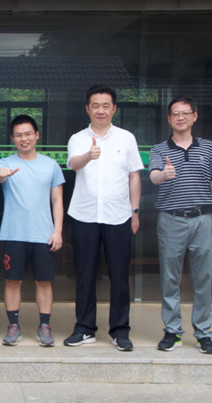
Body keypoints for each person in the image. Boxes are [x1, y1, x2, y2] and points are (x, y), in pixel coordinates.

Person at [63, 85, 143, 352]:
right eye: (95, 105)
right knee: (85, 275)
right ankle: (85, 328)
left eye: (105, 105)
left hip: (118, 215)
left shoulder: (126, 138)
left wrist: (134, 211)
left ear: (114, 109)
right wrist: (89, 155)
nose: (100, 110)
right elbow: (73, 164)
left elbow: (134, 176)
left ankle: (120, 331)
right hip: (85, 215)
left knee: (119, 276)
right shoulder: (78, 138)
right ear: (87, 109)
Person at [149, 96, 212, 355]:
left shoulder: (208, 147)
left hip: (202, 219)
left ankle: (203, 333)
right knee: (170, 277)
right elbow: (153, 176)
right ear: (168, 118)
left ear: (195, 116)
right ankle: (172, 331)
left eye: (185, 113)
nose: (180, 117)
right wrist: (164, 174)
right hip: (171, 219)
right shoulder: (160, 149)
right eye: (175, 113)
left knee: (203, 277)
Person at [0, 115, 64, 347]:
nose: (24, 139)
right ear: (12, 138)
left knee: (44, 281)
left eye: (28, 134)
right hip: (13, 234)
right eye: (18, 135)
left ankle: (45, 326)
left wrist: (58, 231)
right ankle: (13, 325)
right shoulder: (3, 163)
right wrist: (1, 175)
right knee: (13, 281)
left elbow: (57, 200)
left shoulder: (50, 165)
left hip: (43, 234)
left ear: (36, 135)